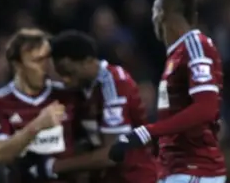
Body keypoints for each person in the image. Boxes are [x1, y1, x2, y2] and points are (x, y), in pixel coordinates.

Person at [108, 0, 226, 183]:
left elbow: (206, 107)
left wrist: (148, 132)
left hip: (194, 170)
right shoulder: (176, 56)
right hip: (176, 169)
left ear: (160, 14)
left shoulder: (195, 45)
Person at [22, 30, 159, 182]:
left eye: (69, 72)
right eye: (61, 74)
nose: (66, 80)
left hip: (135, 177)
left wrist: (56, 166)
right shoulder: (81, 87)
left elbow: (113, 155)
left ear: (88, 61)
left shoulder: (113, 84)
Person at [0, 28, 82, 182]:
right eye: (37, 60)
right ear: (17, 64)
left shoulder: (69, 96)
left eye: (47, 59)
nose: (45, 67)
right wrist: (37, 125)